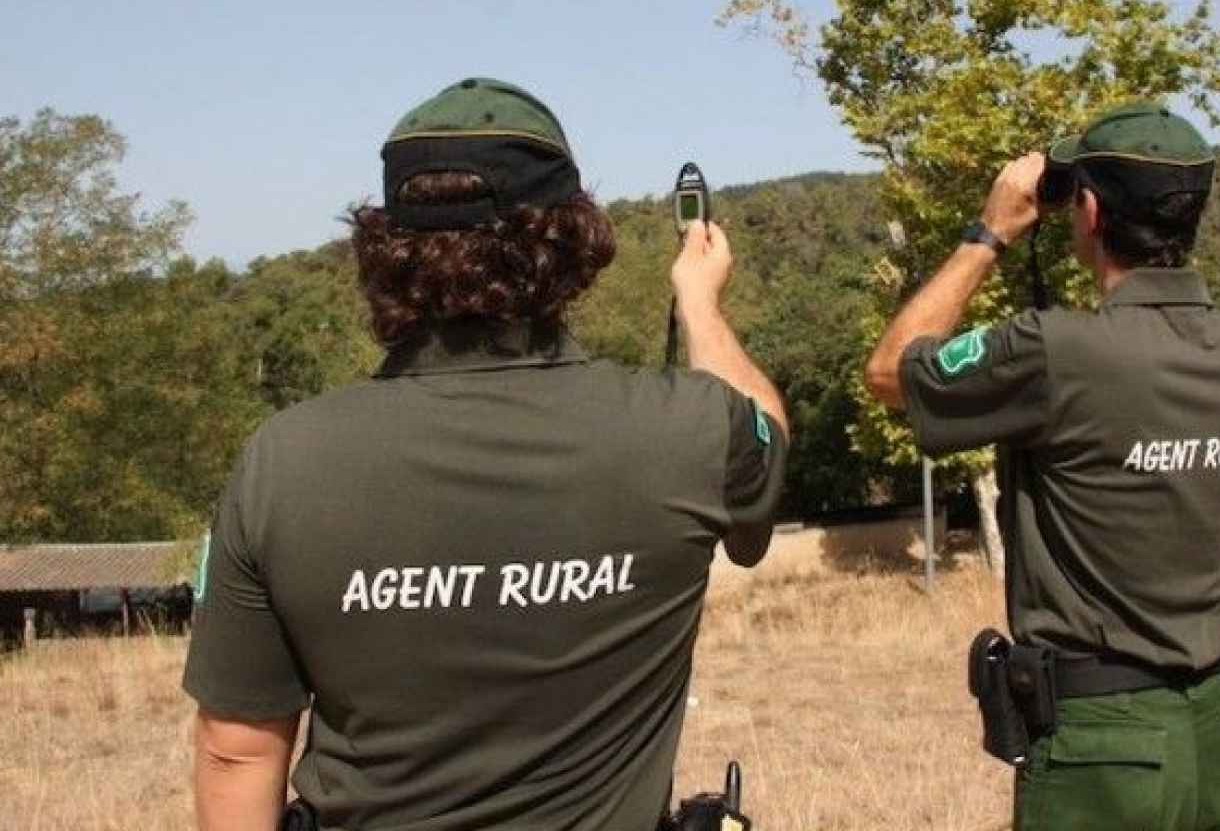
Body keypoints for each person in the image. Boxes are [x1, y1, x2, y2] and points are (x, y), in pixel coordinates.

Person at [183, 78, 789, 831]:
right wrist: (699, 302)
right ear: (573, 240)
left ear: (383, 249)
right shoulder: (689, 429)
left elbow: (236, 754)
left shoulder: (282, 461)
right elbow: (767, 439)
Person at [864, 102, 1220, 830]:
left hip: (1105, 750)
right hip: (1217, 728)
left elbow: (892, 371)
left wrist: (989, 235)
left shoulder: (1059, 352)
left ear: (1085, 208)